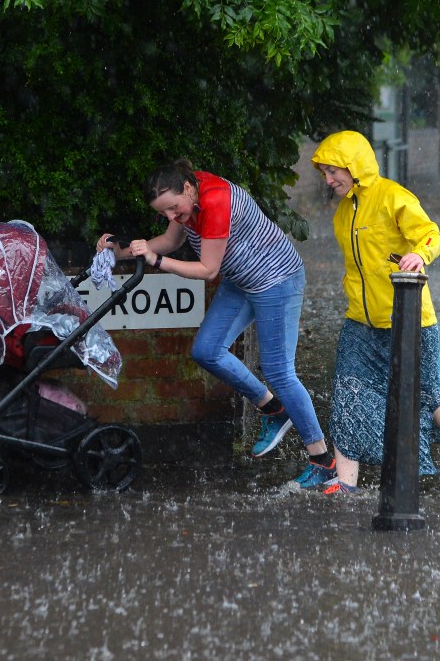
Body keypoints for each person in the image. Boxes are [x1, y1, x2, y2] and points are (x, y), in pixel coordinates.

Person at [97, 159, 337, 489]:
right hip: (241, 282)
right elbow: (169, 242)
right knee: (207, 350)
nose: (171, 217)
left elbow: (208, 270)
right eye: (163, 212)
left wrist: (156, 262)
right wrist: (120, 252)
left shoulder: (215, 200)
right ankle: (273, 409)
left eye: (172, 208)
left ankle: (323, 461)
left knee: (279, 371)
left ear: (187, 188)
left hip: (276, 280)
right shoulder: (186, 200)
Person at [310, 130, 440, 494]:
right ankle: (346, 484)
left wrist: (420, 253)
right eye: (324, 173)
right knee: (347, 390)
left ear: (354, 166)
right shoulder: (344, 211)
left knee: (430, 398)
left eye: (333, 171)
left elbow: (432, 234)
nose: (328, 180)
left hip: (408, 319)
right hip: (360, 321)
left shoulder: (392, 197)